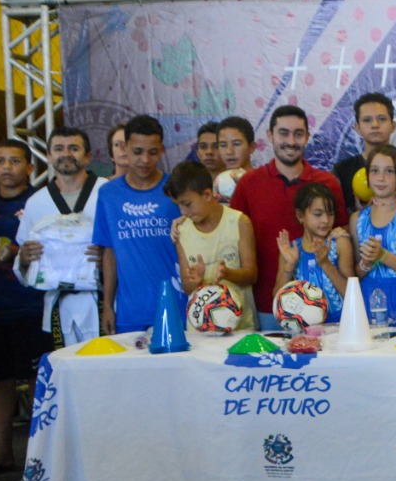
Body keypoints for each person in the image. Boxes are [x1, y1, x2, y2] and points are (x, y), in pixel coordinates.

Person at [230, 105, 346, 329]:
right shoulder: (249, 183)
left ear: (307, 137)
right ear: (270, 135)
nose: (291, 141)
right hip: (269, 304)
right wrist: (185, 221)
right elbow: (229, 232)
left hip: (326, 309)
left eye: (298, 134)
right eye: (283, 133)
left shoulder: (327, 183)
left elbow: (341, 234)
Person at [0, 140, 51, 472]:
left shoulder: (41, 200)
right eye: (0, 161)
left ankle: (41, 453)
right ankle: (3, 450)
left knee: (37, 379)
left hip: (32, 304)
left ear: (29, 168)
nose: (7, 167)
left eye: (15, 161)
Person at [15, 128, 106, 347]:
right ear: (48, 156)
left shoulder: (107, 192)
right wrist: (24, 259)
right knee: (65, 374)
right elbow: (23, 260)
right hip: (57, 304)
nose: (66, 154)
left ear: (88, 156)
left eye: (73, 148)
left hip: (103, 301)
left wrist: (109, 256)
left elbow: (126, 246)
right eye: (58, 149)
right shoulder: (36, 202)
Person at [94, 115, 183, 335]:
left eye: (152, 152)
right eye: (137, 152)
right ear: (125, 147)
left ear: (161, 149)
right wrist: (107, 306)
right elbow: (109, 252)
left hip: (178, 309)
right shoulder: (108, 194)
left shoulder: (176, 189)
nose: (145, 159)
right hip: (130, 314)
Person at [165, 160, 258, 332]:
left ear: (208, 195)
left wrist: (228, 273)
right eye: (178, 205)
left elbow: (251, 275)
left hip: (239, 329)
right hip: (199, 332)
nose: (183, 212)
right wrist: (196, 281)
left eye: (187, 204)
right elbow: (187, 287)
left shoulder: (239, 222)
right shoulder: (181, 231)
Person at [352, 145, 396, 328]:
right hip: (367, 296)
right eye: (375, 171)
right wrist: (365, 264)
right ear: (367, 176)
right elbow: (355, 274)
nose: (381, 178)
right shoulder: (357, 219)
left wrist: (382, 255)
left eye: (389, 171)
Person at [333, 92, 396, 216]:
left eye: (382, 119)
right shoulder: (341, 170)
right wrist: (361, 216)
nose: (375, 125)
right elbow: (334, 219)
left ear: (393, 126)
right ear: (357, 128)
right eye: (367, 120)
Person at [274, 182, 354, 323]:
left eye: (330, 214)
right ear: (300, 215)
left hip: (340, 324)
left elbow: (353, 294)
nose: (325, 220)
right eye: (318, 214)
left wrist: (325, 263)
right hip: (306, 329)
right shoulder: (291, 250)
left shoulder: (340, 243)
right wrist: (290, 265)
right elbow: (277, 301)